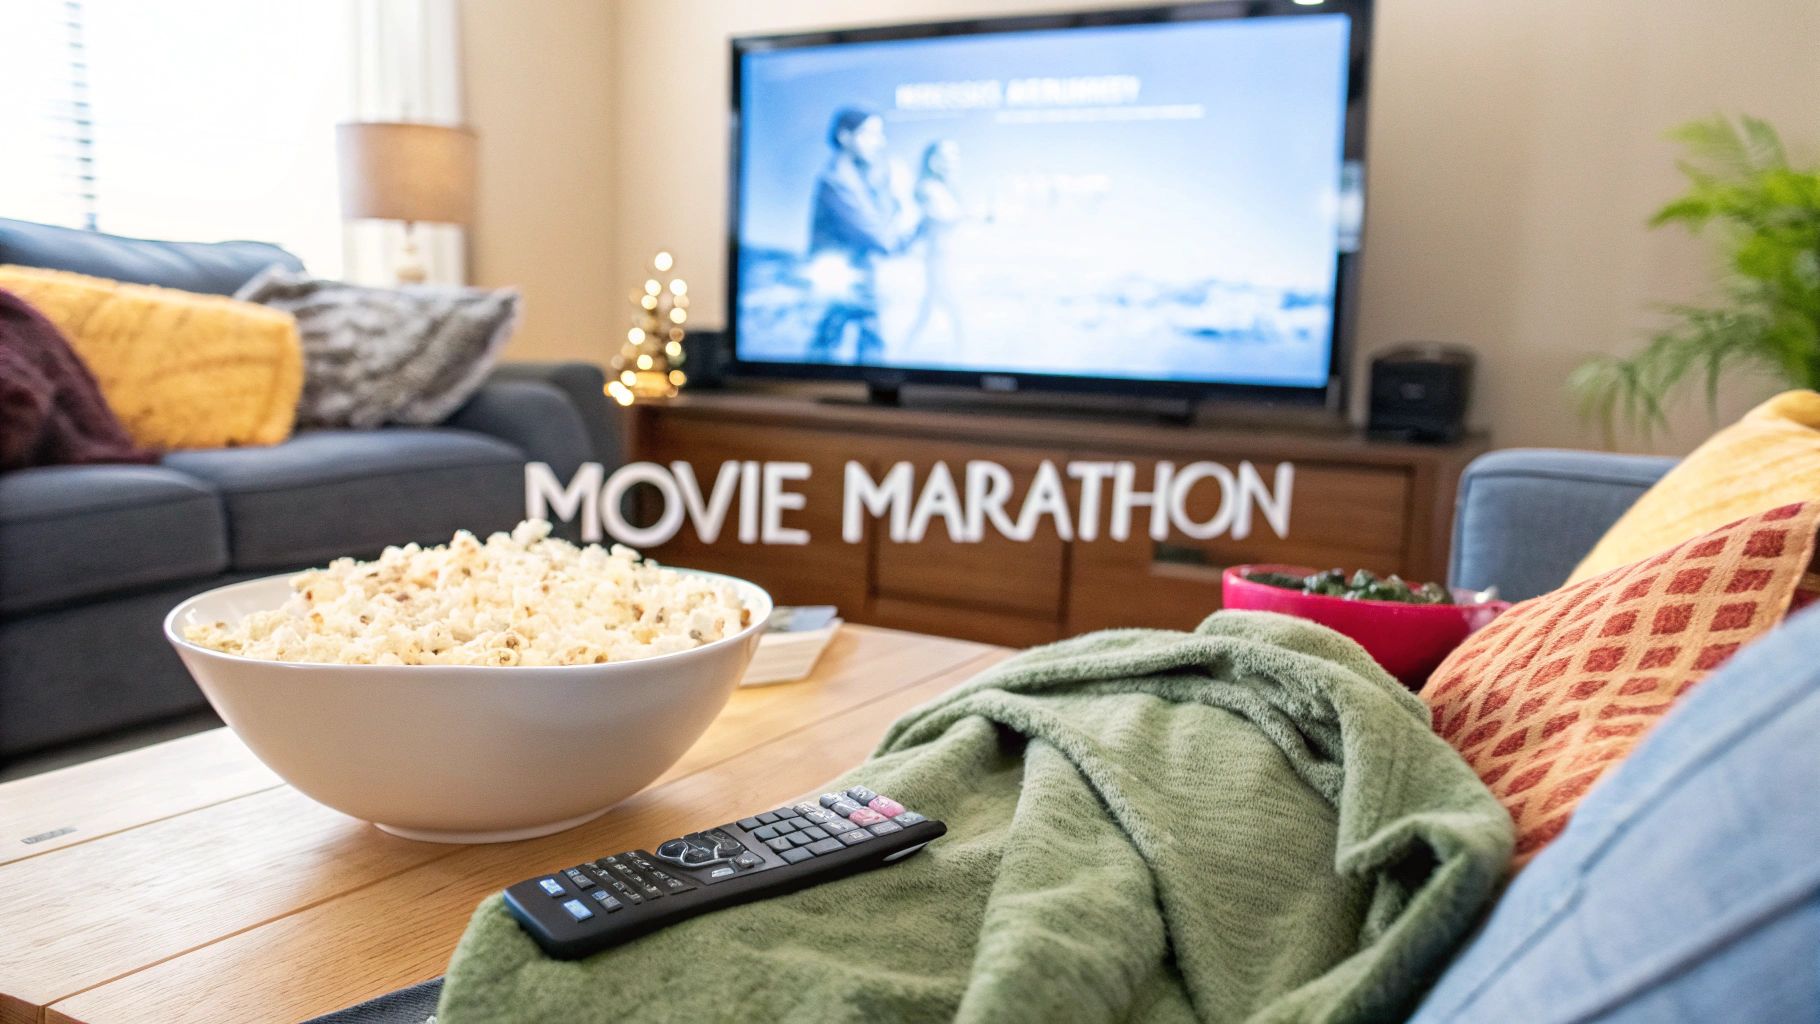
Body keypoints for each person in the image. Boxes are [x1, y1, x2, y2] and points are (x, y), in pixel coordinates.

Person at [807, 108, 916, 364]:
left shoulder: (863, 177)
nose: (880, 142)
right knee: (841, 345)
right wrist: (905, 203)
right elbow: (884, 239)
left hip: (855, 279)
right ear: (845, 136)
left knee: (860, 344)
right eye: (871, 134)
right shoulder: (837, 181)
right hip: (843, 282)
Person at [904, 140, 966, 351]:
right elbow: (942, 218)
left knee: (929, 310)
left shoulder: (945, 188)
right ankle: (964, 355)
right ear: (932, 161)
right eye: (947, 156)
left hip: (949, 257)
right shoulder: (927, 189)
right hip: (939, 258)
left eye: (955, 155)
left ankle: (903, 352)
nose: (953, 161)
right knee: (956, 309)